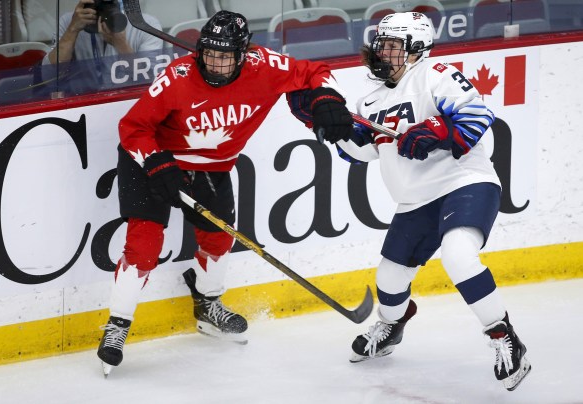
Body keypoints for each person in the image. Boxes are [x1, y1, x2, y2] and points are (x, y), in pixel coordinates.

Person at [97, 10, 355, 375]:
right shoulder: (178, 77)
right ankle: (117, 326)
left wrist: (327, 97)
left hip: (212, 167)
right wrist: (157, 163)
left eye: (225, 56)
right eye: (210, 54)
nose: (215, 64)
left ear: (243, 55)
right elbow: (133, 127)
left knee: (218, 238)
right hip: (152, 160)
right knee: (145, 243)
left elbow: (314, 72)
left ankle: (207, 305)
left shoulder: (265, 65)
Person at [292, 12, 531, 391]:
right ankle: (393, 325)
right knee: (389, 277)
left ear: (417, 50)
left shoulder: (436, 76)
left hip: (464, 182)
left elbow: (477, 114)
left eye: (392, 46)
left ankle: (504, 337)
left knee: (458, 254)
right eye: (380, 44)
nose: (382, 52)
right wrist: (327, 125)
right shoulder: (370, 100)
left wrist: (436, 129)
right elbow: (362, 152)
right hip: (414, 200)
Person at [44, 0, 162, 65]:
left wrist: (122, 45)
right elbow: (49, 75)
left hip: (127, 100)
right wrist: (72, 30)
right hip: (83, 101)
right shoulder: (69, 21)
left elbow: (151, 80)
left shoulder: (146, 25)